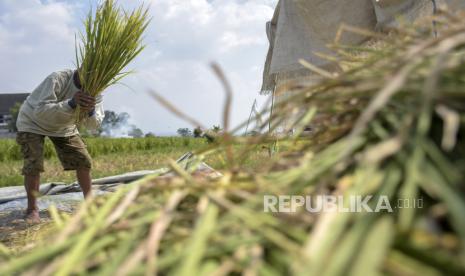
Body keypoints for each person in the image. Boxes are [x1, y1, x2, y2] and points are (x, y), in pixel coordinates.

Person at [16, 69, 104, 223]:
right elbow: (40, 111)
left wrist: (90, 111)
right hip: (32, 122)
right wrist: (71, 103)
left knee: (83, 161)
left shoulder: (96, 89)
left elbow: (93, 125)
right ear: (81, 68)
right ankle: (32, 210)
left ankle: (89, 204)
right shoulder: (58, 79)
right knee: (33, 164)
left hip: (64, 126)